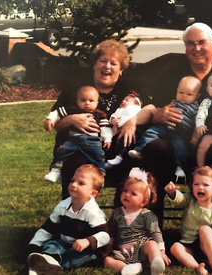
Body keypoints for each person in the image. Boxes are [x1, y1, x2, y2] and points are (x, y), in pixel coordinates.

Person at [118, 22, 212, 264]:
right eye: (190, 43)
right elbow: (155, 107)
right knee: (156, 148)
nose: (196, 48)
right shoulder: (172, 75)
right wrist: (158, 115)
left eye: (202, 42)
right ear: (185, 47)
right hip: (175, 142)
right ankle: (151, 236)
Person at [51, 39, 144, 199]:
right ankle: (74, 219)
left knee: (135, 169)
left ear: (121, 69)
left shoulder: (128, 91)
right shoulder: (77, 90)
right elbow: (55, 123)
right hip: (81, 150)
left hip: (117, 154)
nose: (107, 66)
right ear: (95, 64)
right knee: (75, 166)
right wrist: (71, 120)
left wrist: (133, 120)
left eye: (114, 63)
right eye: (103, 61)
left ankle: (123, 219)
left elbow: (151, 109)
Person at [27, 164, 109, 275]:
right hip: (63, 242)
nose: (73, 185)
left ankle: (48, 266)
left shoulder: (93, 212)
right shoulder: (62, 206)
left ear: (93, 193)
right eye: (72, 180)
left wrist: (87, 241)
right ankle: (46, 260)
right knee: (53, 245)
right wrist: (34, 245)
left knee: (75, 256)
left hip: (83, 248)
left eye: (81, 183)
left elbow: (105, 235)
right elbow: (48, 228)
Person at [128, 76, 201, 177]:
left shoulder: (196, 109)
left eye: (189, 94)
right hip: (164, 126)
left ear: (197, 96)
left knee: (180, 148)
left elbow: (198, 123)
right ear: (177, 91)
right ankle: (140, 149)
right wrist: (157, 112)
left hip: (179, 131)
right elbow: (161, 111)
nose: (184, 96)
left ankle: (180, 167)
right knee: (150, 133)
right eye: (181, 93)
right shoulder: (174, 102)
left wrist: (195, 136)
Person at [104, 167, 170, 275]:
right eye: (125, 190)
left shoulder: (147, 215)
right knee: (107, 260)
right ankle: (127, 268)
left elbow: (155, 233)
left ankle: (156, 264)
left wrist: (162, 251)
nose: (127, 194)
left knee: (151, 244)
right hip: (123, 251)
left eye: (133, 194)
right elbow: (110, 231)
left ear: (144, 201)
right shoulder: (117, 213)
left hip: (142, 248)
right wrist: (108, 247)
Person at [164, 166, 212, 274]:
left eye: (206, 185)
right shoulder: (190, 200)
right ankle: (197, 267)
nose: (200, 188)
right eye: (196, 184)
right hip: (188, 244)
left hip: (207, 247)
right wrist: (172, 192)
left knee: (205, 229)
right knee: (175, 247)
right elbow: (181, 199)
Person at [44, 86, 112, 182]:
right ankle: (56, 171)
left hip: (92, 141)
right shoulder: (71, 109)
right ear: (77, 101)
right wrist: (50, 119)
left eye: (91, 101)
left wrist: (108, 139)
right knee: (62, 151)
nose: (87, 103)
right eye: (83, 100)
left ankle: (100, 176)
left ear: (97, 103)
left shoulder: (100, 114)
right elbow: (57, 112)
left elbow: (105, 128)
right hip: (74, 139)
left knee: (98, 156)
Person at [105, 94, 142, 168]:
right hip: (118, 131)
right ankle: (112, 159)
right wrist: (113, 121)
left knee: (126, 142)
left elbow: (140, 116)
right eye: (123, 99)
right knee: (116, 144)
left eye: (127, 100)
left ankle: (119, 157)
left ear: (136, 103)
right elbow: (112, 116)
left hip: (131, 130)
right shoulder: (119, 110)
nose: (123, 101)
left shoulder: (136, 108)